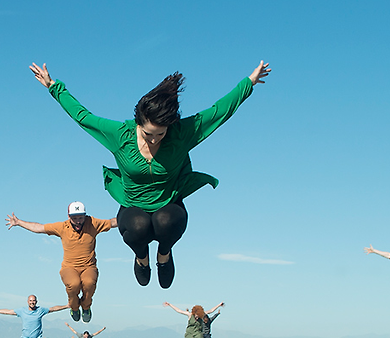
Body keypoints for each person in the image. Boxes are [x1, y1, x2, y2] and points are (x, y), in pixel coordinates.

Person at [30, 61, 271, 289]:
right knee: (138, 225)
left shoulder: (181, 134)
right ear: (139, 123)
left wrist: (249, 82)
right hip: (132, 206)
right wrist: (53, 86)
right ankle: (142, 258)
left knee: (165, 221)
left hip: (169, 204)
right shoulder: (120, 135)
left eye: (160, 134)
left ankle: (164, 254)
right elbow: (83, 117)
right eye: (148, 134)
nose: (154, 140)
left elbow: (219, 112)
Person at [6, 202, 117, 322]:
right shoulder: (62, 227)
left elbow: (112, 222)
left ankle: (86, 307)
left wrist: (130, 216)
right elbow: (39, 228)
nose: (78, 221)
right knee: (74, 284)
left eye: (81, 218)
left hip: (89, 266)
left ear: (85, 216)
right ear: (69, 217)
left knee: (89, 283)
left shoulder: (93, 223)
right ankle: (74, 308)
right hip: (69, 267)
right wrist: (19, 222)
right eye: (74, 218)